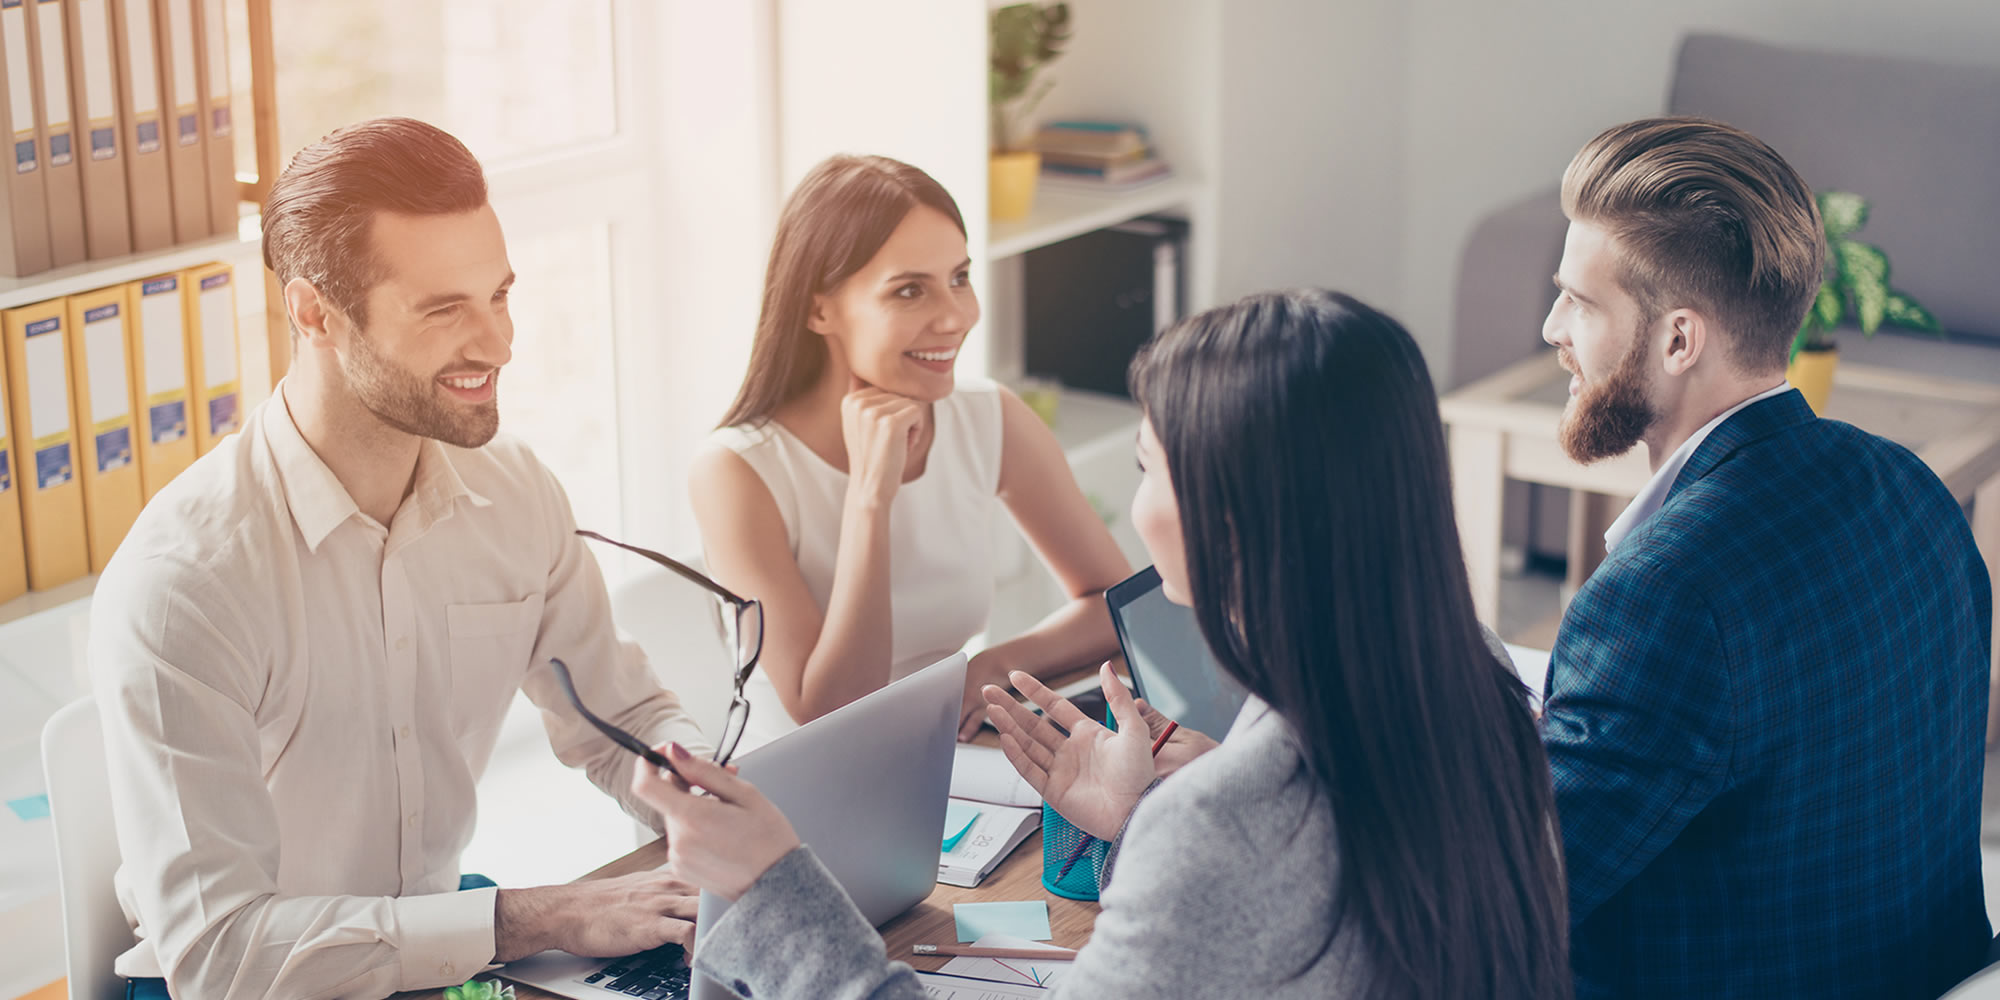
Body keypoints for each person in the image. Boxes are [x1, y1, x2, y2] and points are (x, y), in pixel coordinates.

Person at [635, 289, 1574, 999]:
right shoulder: (1480, 683)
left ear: (1227, 519)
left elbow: (1245, 868)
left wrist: (768, 884)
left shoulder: (1230, 822)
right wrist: (1144, 823)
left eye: (1144, 465)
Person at [90, 118, 712, 1000]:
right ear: (314, 313)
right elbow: (220, 954)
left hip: (427, 952)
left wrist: (712, 801)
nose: (498, 344)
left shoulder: (514, 493)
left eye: (499, 295)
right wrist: (540, 915)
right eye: (444, 308)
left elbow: (625, 716)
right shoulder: (187, 583)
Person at [1538, 116, 1992, 998]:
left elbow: (1502, 890)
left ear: (1679, 340)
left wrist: (1263, 797)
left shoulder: (1665, 595)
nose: (1553, 326)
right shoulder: (1911, 486)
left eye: (1581, 303)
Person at [689, 153, 1131, 748]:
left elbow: (1115, 601)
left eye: (959, 277)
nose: (955, 317)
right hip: (808, 788)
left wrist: (992, 666)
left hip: (948, 756)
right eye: (908, 291)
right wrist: (871, 497)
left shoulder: (986, 416)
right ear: (819, 308)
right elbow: (832, 712)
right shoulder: (737, 472)